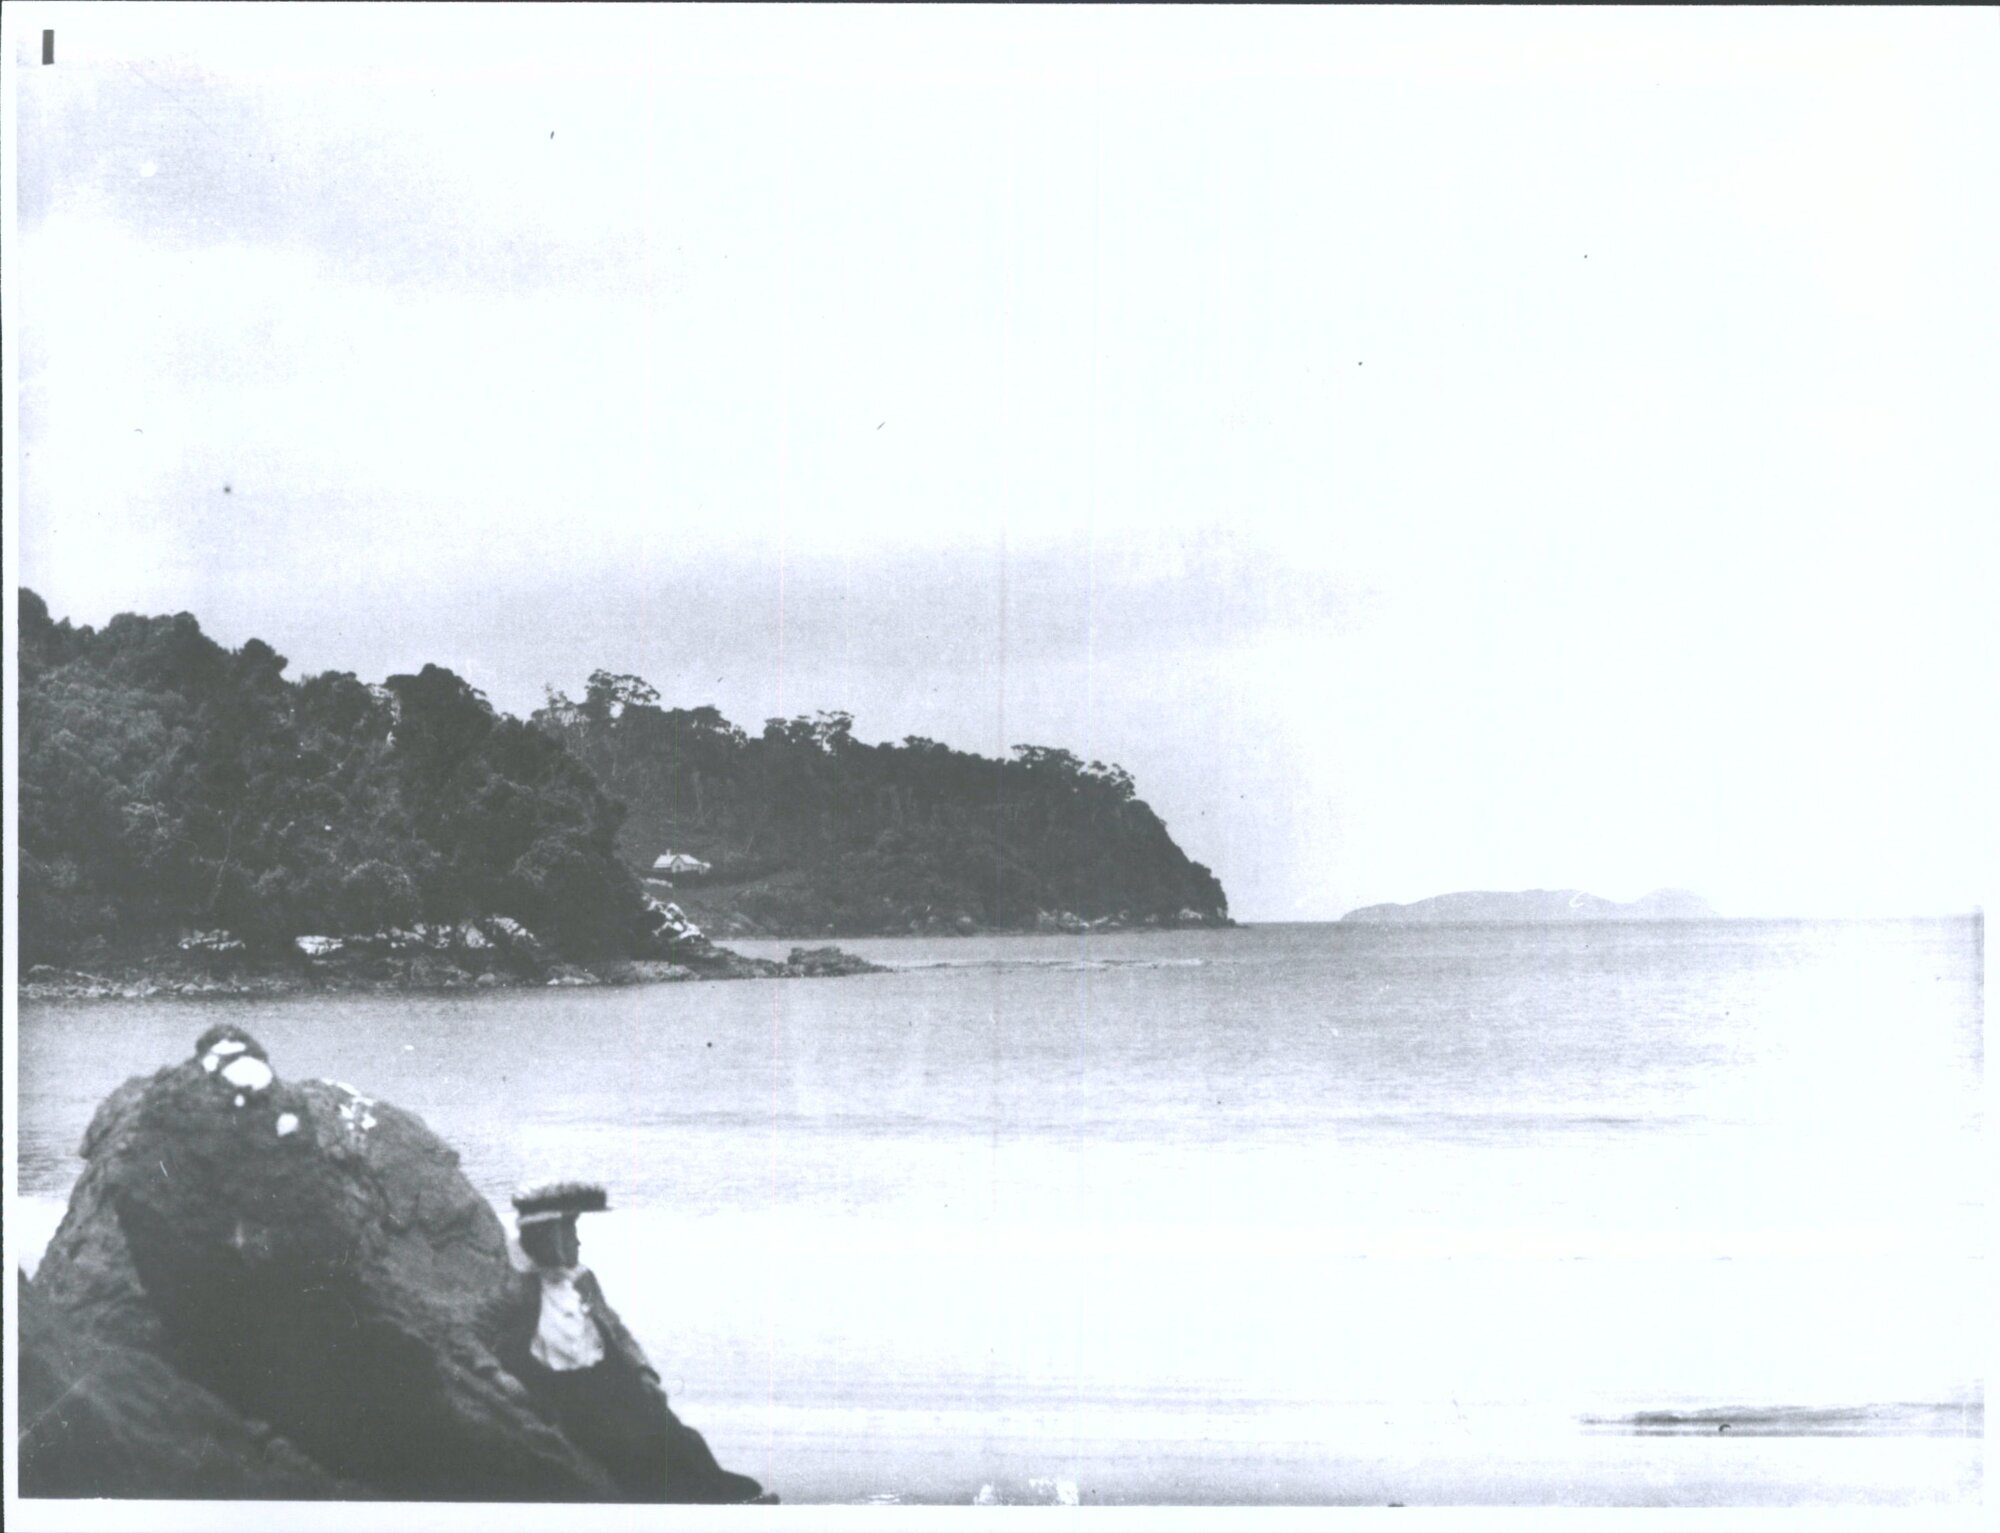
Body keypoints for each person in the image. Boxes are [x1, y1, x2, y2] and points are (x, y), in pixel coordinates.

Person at [508, 1181, 768, 1504]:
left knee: (681, 1437)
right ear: (548, 1236)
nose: (577, 1240)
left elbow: (616, 1331)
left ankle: (722, 1493)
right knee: (635, 1446)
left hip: (609, 1380)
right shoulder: (518, 1288)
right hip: (569, 1393)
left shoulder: (583, 1279)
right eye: (569, 1230)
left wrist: (643, 1372)